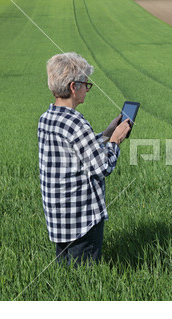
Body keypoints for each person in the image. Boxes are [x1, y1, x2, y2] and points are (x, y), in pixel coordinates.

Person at [38, 52, 131, 266]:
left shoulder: (47, 118)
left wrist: (107, 133)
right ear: (73, 87)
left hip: (59, 218)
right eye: (85, 85)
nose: (87, 89)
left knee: (66, 277)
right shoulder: (75, 122)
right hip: (81, 220)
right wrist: (115, 141)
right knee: (84, 280)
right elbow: (102, 166)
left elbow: (78, 151)